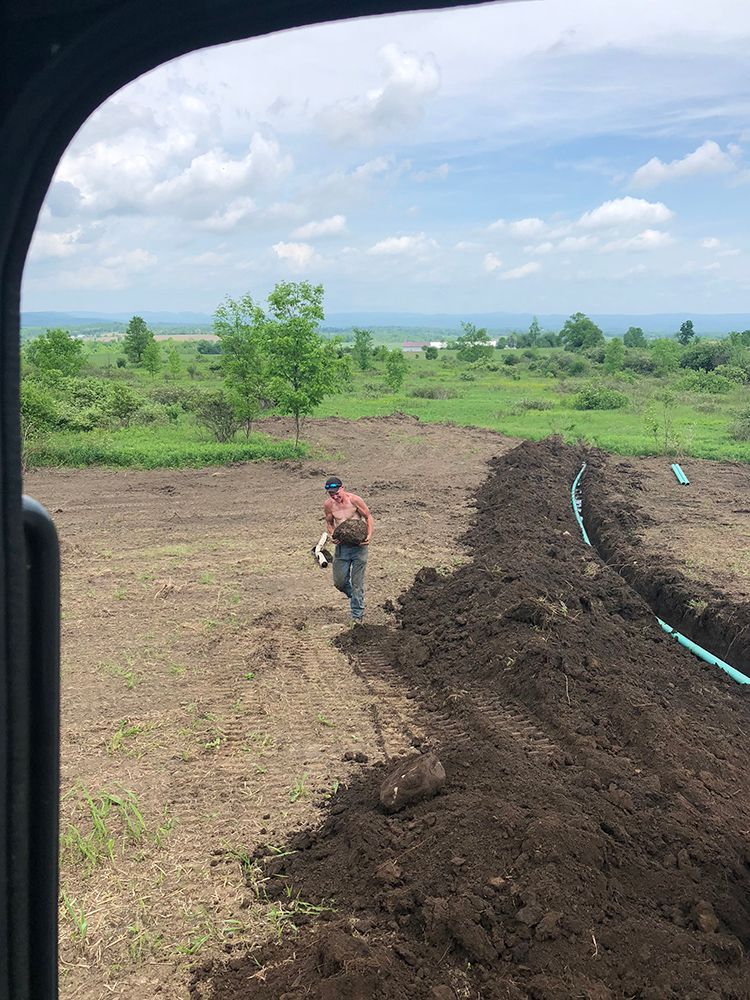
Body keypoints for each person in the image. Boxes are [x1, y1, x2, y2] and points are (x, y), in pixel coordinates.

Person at [323, 476, 373, 624]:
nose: (335, 496)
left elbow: (368, 517)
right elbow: (329, 523)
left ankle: (357, 616)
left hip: (359, 547)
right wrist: (332, 535)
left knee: (357, 583)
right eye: (331, 494)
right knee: (339, 582)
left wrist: (369, 536)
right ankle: (357, 598)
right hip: (342, 548)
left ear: (342, 488)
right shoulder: (328, 505)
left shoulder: (355, 500)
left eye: (337, 492)